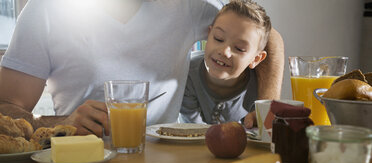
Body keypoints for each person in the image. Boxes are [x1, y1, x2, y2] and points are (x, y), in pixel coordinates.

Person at [0, 0, 284, 137]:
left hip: (167, 161)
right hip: (83, 162)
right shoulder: (47, 10)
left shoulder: (185, 6)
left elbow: (267, 36)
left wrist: (267, 105)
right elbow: (5, 107)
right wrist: (59, 123)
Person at [180, 0, 282, 128]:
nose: (224, 51)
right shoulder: (187, 74)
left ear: (256, 59)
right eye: (218, 38)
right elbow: (193, 131)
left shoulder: (259, 88)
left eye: (239, 48)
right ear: (208, 34)